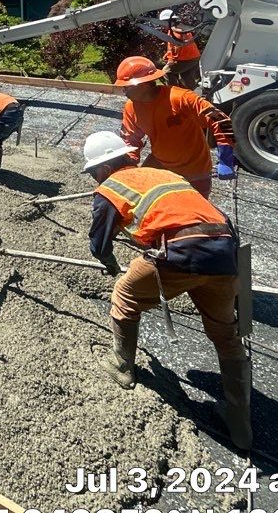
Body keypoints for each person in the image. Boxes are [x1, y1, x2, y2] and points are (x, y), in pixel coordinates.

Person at [80, 129, 251, 451]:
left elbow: (99, 243)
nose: (93, 178)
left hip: (180, 252)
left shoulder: (109, 188)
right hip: (224, 251)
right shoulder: (161, 174)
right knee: (225, 333)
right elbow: (211, 216)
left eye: (92, 172)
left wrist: (113, 266)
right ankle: (239, 421)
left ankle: (121, 366)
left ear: (101, 168)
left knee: (125, 296)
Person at [116, 56, 235, 198]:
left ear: (142, 85)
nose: (124, 92)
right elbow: (131, 139)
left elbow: (222, 121)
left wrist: (226, 159)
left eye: (126, 87)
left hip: (195, 170)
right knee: (145, 199)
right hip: (160, 163)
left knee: (194, 211)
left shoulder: (181, 98)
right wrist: (129, 162)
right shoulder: (132, 107)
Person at [159, 8, 202, 90]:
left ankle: (175, 92)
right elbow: (172, 47)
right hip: (194, 57)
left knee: (166, 72)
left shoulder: (176, 30)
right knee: (186, 78)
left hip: (186, 58)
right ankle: (195, 95)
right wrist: (167, 55)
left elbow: (180, 44)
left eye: (162, 23)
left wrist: (171, 59)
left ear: (167, 21)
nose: (162, 25)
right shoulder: (177, 29)